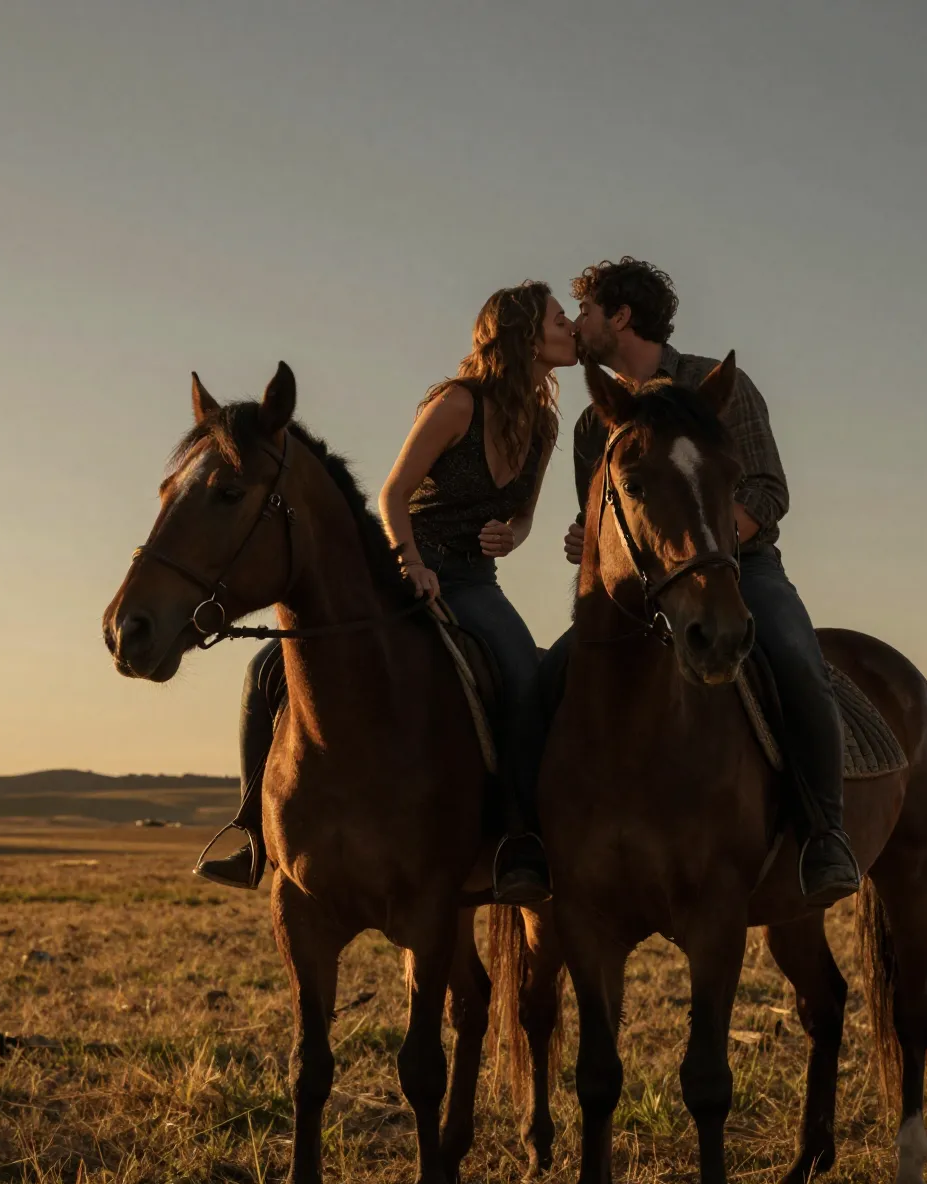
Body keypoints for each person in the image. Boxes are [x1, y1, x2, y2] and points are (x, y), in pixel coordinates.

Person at [195, 282, 577, 903]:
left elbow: (526, 514)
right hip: (402, 572)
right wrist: (412, 562)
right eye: (561, 319)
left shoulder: (545, 425)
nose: (571, 328)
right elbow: (392, 495)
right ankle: (250, 834)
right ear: (525, 335)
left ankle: (517, 840)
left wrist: (514, 534)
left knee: (524, 677)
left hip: (475, 585)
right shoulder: (457, 404)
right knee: (264, 668)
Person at [552, 258, 861, 908]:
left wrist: (705, 552)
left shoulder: (718, 385)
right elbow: (608, 518)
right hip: (637, 592)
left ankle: (825, 832)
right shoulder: (594, 422)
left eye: (584, 311)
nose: (575, 324)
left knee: (801, 667)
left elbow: (768, 489)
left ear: (621, 317)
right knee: (545, 682)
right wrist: (585, 540)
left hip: (738, 570)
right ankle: (537, 838)